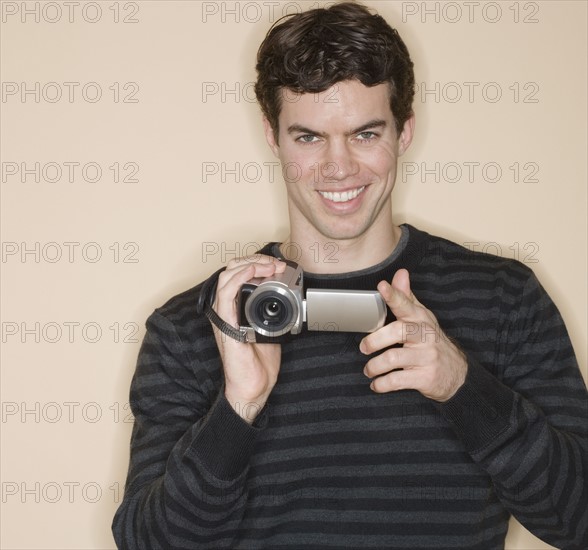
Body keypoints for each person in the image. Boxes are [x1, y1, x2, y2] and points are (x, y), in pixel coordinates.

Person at [112, 2, 588, 548]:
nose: (338, 167)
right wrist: (237, 406)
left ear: (405, 131)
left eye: (365, 134)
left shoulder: (504, 299)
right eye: (309, 137)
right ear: (273, 136)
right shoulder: (198, 325)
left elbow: (578, 519)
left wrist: (463, 386)